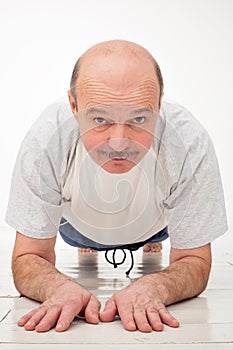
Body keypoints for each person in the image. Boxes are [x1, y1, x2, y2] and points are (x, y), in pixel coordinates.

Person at [6, 39, 227, 333]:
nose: (120, 142)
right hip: (77, 228)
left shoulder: (188, 140)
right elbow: (28, 255)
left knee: (160, 228)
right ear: (73, 106)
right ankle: (91, 246)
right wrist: (56, 286)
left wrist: (155, 286)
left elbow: (194, 258)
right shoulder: (46, 139)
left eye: (139, 118)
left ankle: (151, 239)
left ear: (160, 106)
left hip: (156, 222)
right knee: (81, 240)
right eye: (99, 118)